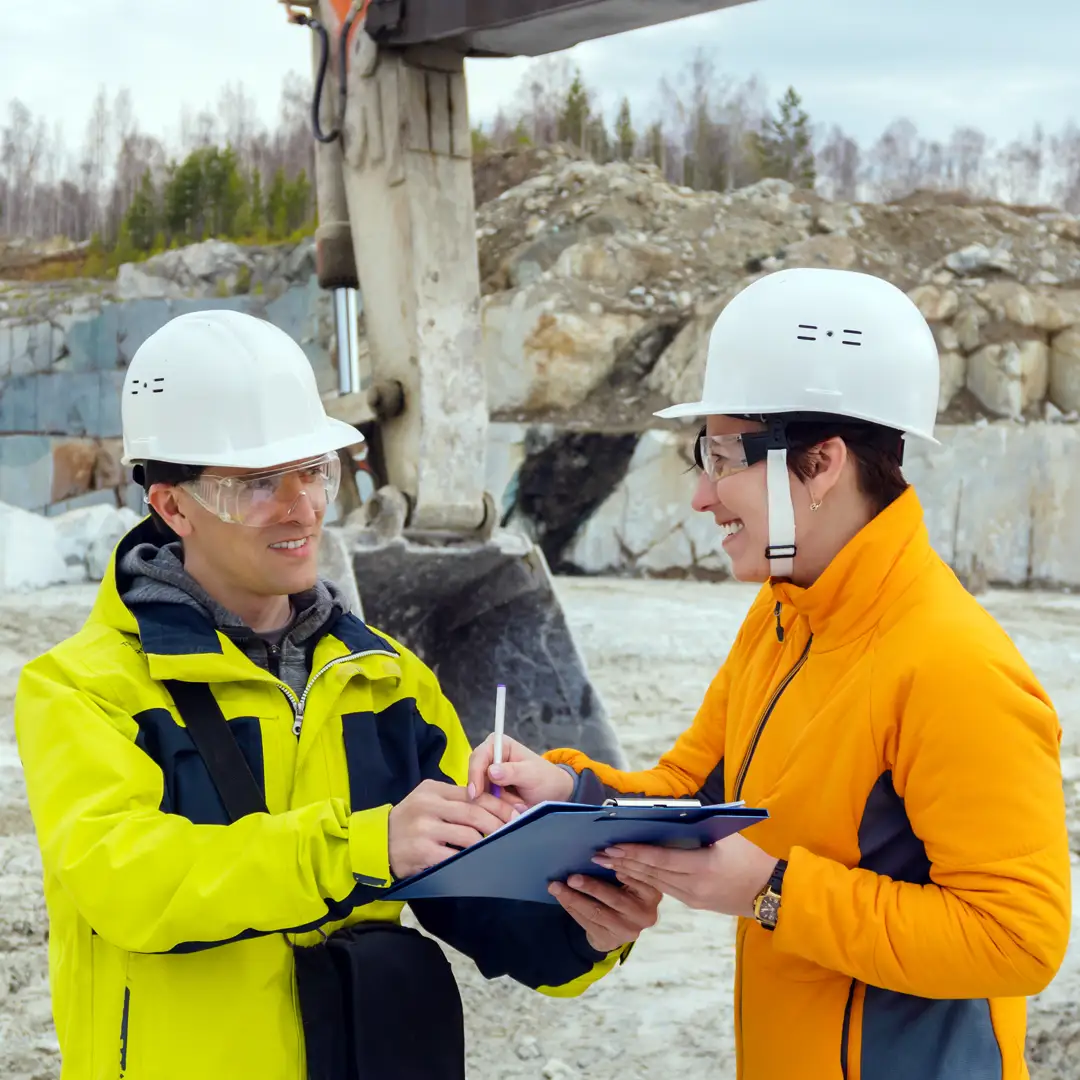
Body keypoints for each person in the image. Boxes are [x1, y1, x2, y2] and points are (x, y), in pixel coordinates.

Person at [14, 309, 659, 1080]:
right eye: (256, 483)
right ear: (172, 505)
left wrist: (586, 924)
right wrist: (362, 845)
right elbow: (130, 882)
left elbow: (472, 888)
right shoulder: (82, 688)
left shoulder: (387, 682)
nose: (303, 507)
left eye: (313, 470)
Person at [469, 267, 1073, 1079]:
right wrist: (564, 792)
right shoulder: (786, 615)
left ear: (820, 463)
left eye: (721, 456)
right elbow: (692, 790)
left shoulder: (953, 665)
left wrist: (772, 892)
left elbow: (1017, 940)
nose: (703, 496)